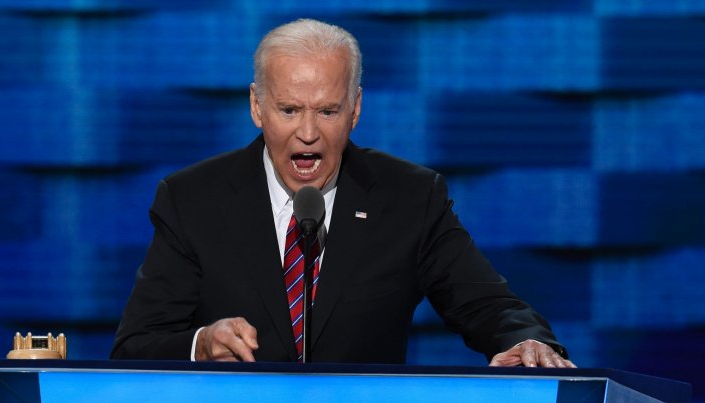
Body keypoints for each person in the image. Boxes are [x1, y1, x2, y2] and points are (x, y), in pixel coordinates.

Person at [111, 19, 575, 369]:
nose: (308, 133)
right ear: (257, 106)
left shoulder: (409, 198)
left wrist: (529, 343)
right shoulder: (193, 199)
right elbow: (134, 348)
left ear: (355, 109)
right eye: (289, 109)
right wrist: (202, 344)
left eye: (328, 111)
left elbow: (489, 306)